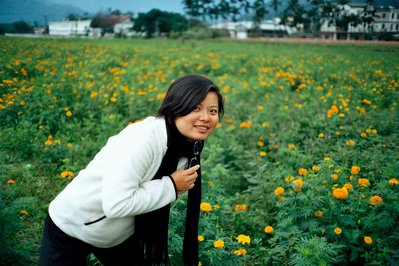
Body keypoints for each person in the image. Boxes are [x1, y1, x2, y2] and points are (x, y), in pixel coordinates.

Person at [39, 74, 224, 266]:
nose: (206, 117)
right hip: (72, 224)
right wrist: (170, 186)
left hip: (120, 233)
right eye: (196, 108)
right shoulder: (142, 139)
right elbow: (117, 204)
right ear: (176, 107)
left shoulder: (189, 146)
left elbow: (167, 191)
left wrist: (173, 186)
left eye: (213, 111)